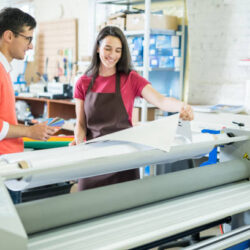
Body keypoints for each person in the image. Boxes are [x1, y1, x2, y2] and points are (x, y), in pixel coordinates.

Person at [72, 25, 194, 190]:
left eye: (118, 50)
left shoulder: (131, 79)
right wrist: (79, 146)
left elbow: (161, 101)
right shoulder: (82, 83)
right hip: (94, 160)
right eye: (108, 49)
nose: (112, 55)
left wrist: (182, 106)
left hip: (124, 160)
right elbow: (80, 124)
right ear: (98, 49)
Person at [0, 7, 58, 202]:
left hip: (10, 165)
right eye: (28, 39)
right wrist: (29, 131)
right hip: (4, 168)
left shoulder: (4, 70)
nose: (31, 46)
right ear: (9, 36)